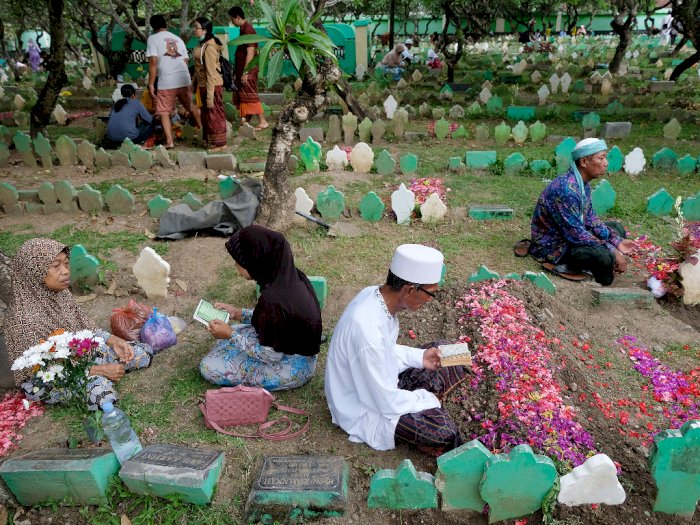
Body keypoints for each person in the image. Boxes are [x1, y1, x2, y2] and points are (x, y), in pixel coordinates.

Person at [325, 244, 470, 456]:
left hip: (377, 383)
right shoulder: (367, 330)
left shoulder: (375, 296)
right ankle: (429, 424)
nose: (430, 301)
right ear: (410, 290)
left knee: (446, 351)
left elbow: (385, 351)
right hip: (365, 408)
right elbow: (384, 401)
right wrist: (427, 401)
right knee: (445, 431)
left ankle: (430, 401)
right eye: (430, 294)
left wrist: (420, 357)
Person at [4, 238, 152, 411]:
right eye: (56, 266)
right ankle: (104, 378)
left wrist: (114, 341)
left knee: (139, 354)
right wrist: (99, 370)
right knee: (99, 392)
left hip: (79, 354)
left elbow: (84, 328)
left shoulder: (60, 293)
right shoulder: (23, 319)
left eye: (66, 264)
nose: (66, 271)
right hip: (51, 377)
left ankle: (107, 370)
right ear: (34, 271)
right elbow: (45, 372)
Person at [200, 226, 322, 391]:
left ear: (255, 261)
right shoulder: (289, 277)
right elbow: (278, 321)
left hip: (293, 367)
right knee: (233, 334)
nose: (236, 264)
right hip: (298, 349)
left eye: (240, 260)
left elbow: (271, 355)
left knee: (208, 367)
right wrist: (238, 313)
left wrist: (230, 334)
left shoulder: (273, 300)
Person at [529, 138, 637, 286]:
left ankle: (600, 263)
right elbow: (577, 235)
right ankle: (571, 268)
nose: (606, 163)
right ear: (584, 162)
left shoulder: (582, 183)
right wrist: (613, 250)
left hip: (571, 235)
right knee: (603, 257)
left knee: (616, 228)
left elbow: (590, 219)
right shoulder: (566, 190)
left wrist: (616, 241)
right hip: (554, 247)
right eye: (601, 158)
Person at [146, 14, 202, 149]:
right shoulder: (178, 39)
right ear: (166, 24)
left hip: (167, 80)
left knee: (164, 111)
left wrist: (151, 83)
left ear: (152, 26)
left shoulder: (152, 39)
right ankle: (203, 130)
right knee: (190, 106)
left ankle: (170, 142)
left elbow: (153, 62)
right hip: (183, 77)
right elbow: (185, 60)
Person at [229, 6, 269, 131]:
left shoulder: (248, 29)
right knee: (244, 95)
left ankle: (263, 121)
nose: (231, 22)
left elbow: (250, 52)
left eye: (232, 19)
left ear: (238, 17)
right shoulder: (243, 28)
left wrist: (246, 72)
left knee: (250, 95)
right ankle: (245, 121)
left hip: (249, 69)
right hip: (243, 69)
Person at [192, 17, 227, 151]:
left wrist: (210, 96)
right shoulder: (202, 45)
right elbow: (198, 68)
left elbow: (211, 74)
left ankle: (220, 143)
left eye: (196, 27)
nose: (194, 30)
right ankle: (210, 140)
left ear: (205, 30)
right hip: (203, 85)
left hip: (212, 85)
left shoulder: (210, 47)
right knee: (206, 115)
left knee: (214, 113)